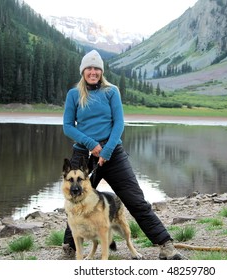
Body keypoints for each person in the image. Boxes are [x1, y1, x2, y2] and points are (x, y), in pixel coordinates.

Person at [62, 50, 185, 260]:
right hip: (83, 156)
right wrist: (92, 145)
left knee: (135, 200)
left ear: (101, 71)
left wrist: (106, 150)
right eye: (89, 68)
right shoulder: (74, 94)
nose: (93, 72)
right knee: (76, 200)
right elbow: (67, 126)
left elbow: (119, 123)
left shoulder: (112, 91)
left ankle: (165, 244)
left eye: (97, 68)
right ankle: (70, 246)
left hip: (113, 154)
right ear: (83, 71)